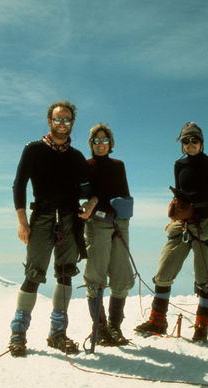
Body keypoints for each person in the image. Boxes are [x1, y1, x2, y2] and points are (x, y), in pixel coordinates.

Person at [135, 122, 208, 342]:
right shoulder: (179, 164)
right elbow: (180, 194)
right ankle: (157, 320)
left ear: (201, 142)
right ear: (182, 143)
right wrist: (172, 218)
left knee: (204, 279)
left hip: (206, 222)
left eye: (194, 140)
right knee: (163, 273)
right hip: (182, 223)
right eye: (186, 141)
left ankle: (202, 327)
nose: (190, 144)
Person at [8, 100, 90, 357]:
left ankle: (57, 334)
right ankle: (18, 335)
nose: (62, 123)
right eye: (58, 119)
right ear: (49, 121)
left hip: (69, 219)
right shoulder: (33, 150)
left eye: (67, 120)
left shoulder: (76, 157)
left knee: (65, 274)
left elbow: (91, 187)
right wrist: (22, 221)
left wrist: (92, 203)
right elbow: (19, 185)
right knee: (33, 274)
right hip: (42, 218)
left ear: (72, 123)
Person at [78, 123, 134, 346]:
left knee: (121, 276)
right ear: (91, 144)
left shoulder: (119, 165)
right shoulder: (87, 166)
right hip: (97, 223)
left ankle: (114, 327)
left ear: (110, 143)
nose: (100, 145)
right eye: (96, 141)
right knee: (95, 276)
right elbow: (83, 192)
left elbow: (123, 192)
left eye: (104, 140)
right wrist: (93, 202)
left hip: (120, 223)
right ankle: (99, 329)